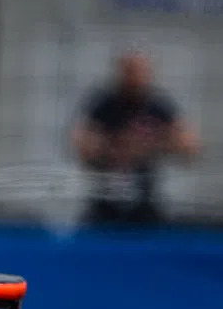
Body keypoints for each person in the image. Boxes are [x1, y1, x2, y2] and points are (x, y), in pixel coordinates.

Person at [72, 50, 199, 224]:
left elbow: (189, 146)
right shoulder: (103, 105)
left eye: (141, 71)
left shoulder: (159, 107)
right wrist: (116, 148)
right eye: (130, 71)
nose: (136, 77)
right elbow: (83, 146)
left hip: (146, 202)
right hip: (103, 202)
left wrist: (150, 146)